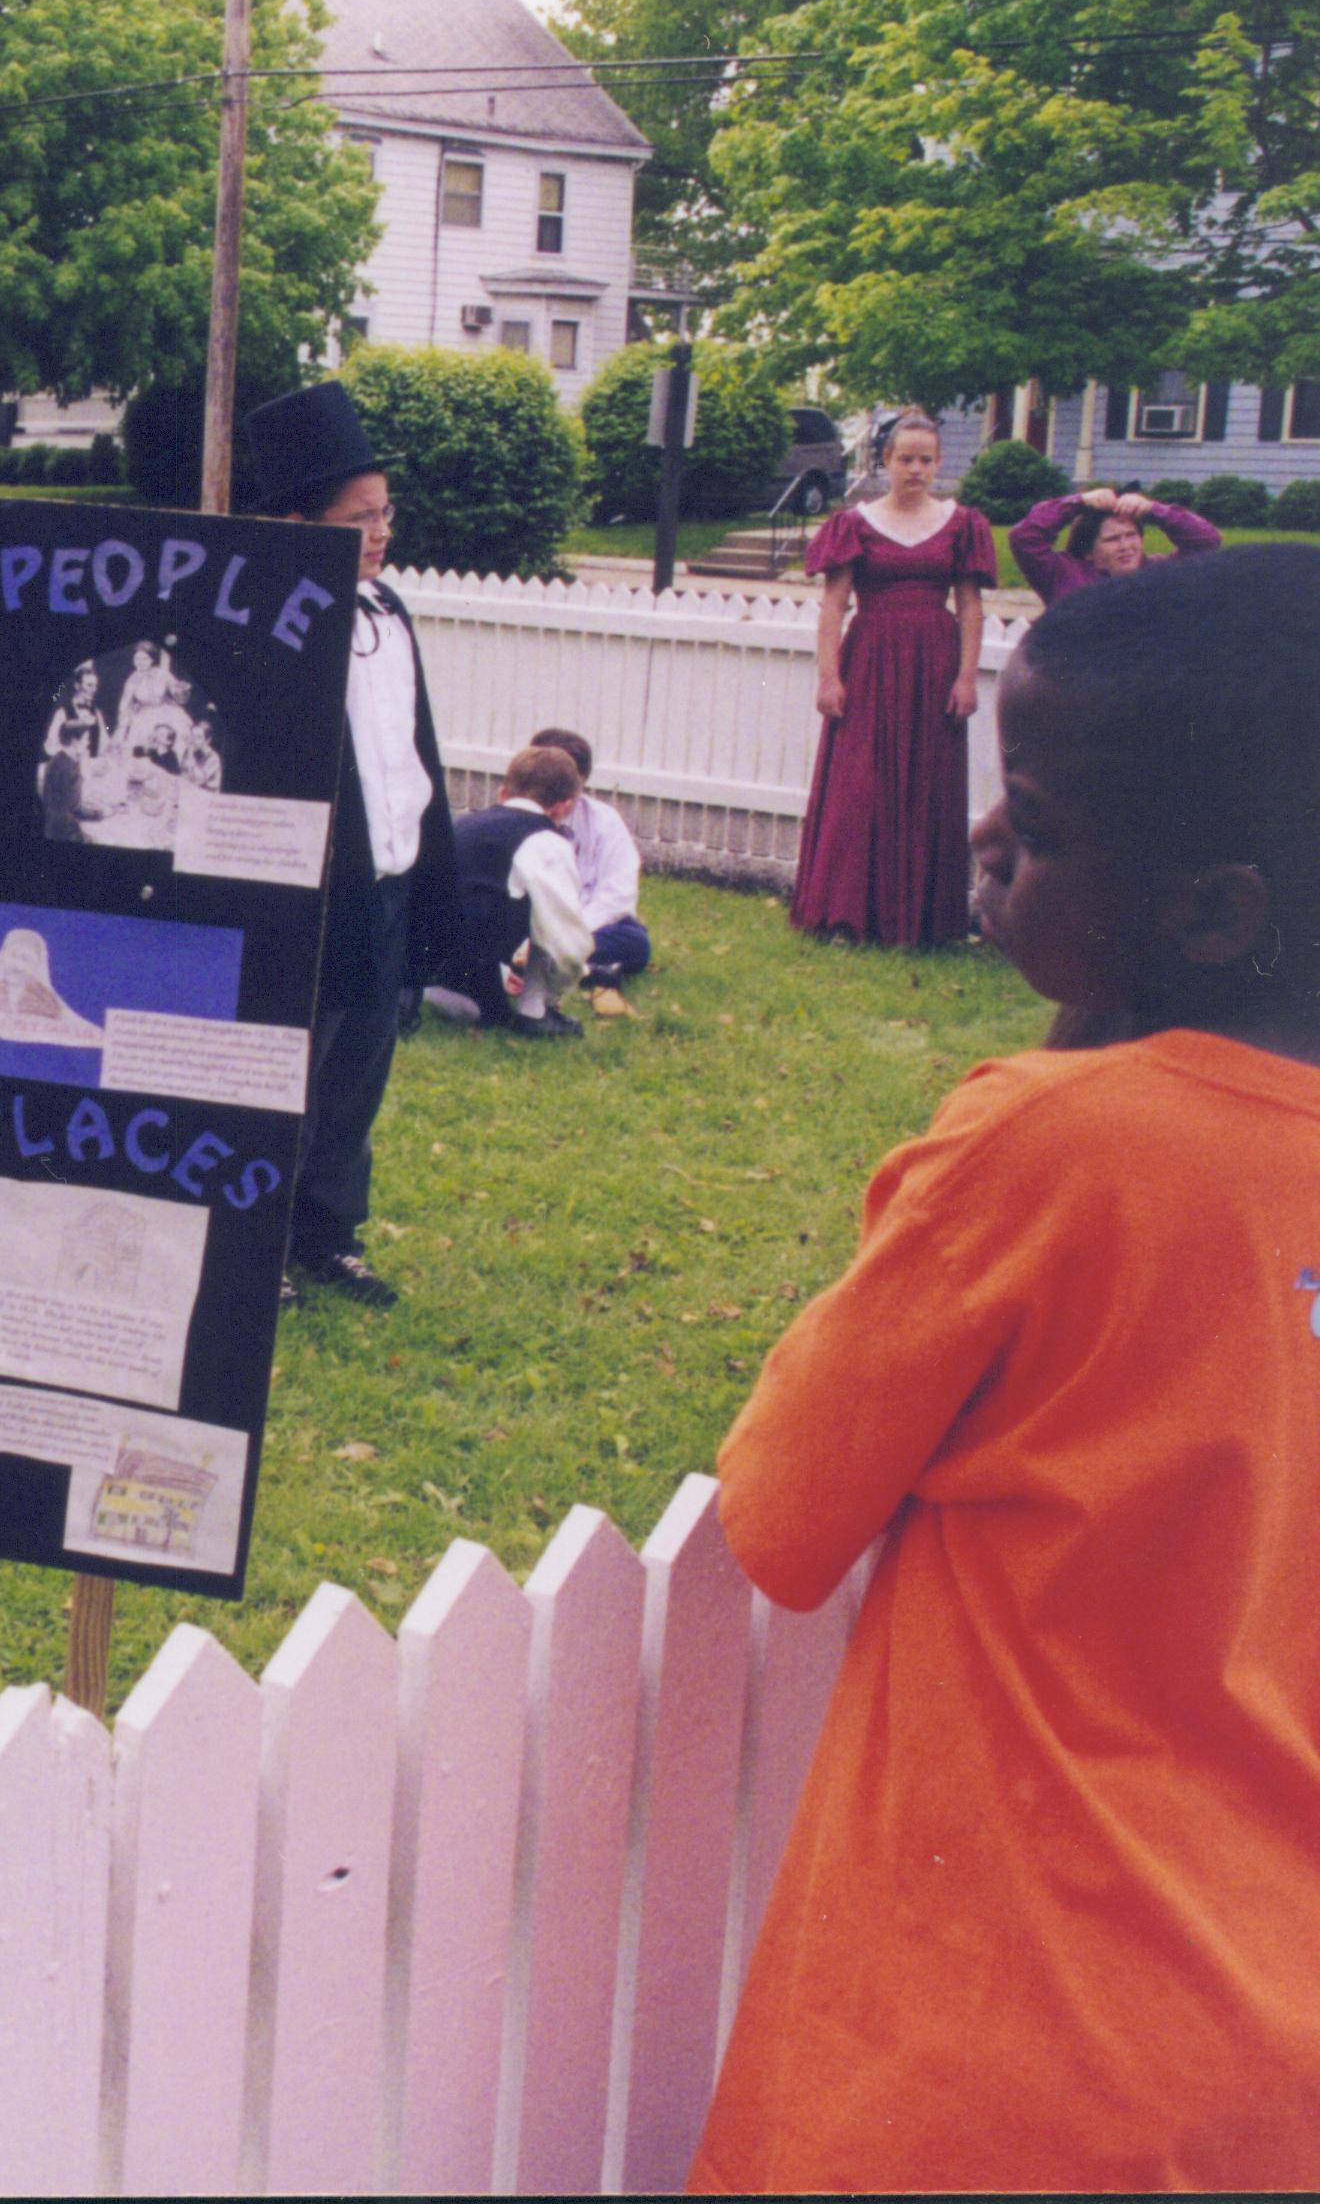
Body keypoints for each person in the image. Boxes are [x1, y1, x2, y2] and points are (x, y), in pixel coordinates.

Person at [693, 545, 1320, 2193]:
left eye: (1032, 826)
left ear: (1211, 913)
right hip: (1273, 2055)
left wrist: (1071, 1056)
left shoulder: (1041, 1148)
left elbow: (777, 1517)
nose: (982, 843)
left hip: (994, 2047)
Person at [240, 381, 458, 1308]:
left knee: (361, 1067)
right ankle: (256, 1246)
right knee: (293, 1069)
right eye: (357, 517)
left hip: (392, 875)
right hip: (314, 888)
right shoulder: (269, 623)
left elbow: (411, 747)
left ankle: (327, 1232)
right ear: (299, 521)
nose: (380, 532)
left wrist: (425, 855)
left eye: (385, 513)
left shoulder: (389, 616)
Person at [789, 407, 996, 947]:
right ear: (885, 461)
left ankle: (922, 923)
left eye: (926, 460)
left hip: (936, 663)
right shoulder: (854, 524)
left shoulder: (962, 523)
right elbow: (833, 606)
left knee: (928, 782)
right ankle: (844, 915)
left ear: (939, 463)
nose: (916, 469)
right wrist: (829, 677)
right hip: (870, 660)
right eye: (905, 459)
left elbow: (970, 606)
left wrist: (967, 677)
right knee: (859, 786)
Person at [428, 744, 594, 1039]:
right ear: (565, 806)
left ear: (504, 791)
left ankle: (435, 990)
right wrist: (568, 981)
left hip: (426, 958)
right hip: (472, 966)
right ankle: (535, 1012)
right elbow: (566, 939)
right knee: (550, 912)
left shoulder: (467, 823)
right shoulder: (546, 840)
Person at [528, 725, 650, 1001]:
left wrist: (570, 933)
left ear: (581, 782)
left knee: (635, 943)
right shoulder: (514, 818)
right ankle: (586, 971)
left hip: (586, 925)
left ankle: (544, 965)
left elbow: (617, 895)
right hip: (526, 924)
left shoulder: (604, 821)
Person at [1007, 482, 1221, 608]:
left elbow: (1208, 542)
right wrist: (1077, 502)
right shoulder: (1062, 573)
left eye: (1131, 535)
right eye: (1112, 539)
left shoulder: (1160, 573)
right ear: (1088, 551)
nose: (1125, 545)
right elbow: (1024, 537)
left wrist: (1153, 509)